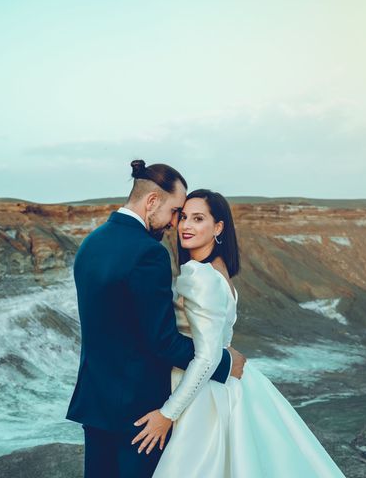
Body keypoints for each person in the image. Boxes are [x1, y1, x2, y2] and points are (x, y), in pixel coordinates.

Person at [132, 189, 347, 477]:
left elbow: (207, 358)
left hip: (200, 395)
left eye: (198, 218)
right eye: (183, 217)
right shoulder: (219, 270)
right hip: (226, 386)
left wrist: (167, 415)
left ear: (218, 227)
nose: (185, 226)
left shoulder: (198, 276)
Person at [66, 162, 247, 478]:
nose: (175, 223)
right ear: (151, 202)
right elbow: (161, 341)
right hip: (139, 412)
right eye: (176, 211)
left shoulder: (91, 243)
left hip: (95, 402)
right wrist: (223, 363)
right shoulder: (148, 253)